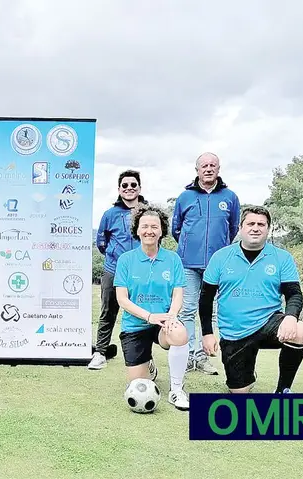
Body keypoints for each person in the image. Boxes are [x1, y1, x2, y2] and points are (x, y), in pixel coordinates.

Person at [200, 205, 303, 394]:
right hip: (235, 331)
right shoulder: (220, 257)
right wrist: (207, 333)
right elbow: (206, 298)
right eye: (250, 223)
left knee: (300, 330)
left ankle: (283, 390)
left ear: (268, 229)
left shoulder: (281, 257)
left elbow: (294, 294)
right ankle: (246, 376)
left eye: (261, 224)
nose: (256, 228)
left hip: (268, 322)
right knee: (240, 391)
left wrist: (291, 316)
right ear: (241, 228)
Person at [113, 205, 191, 410]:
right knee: (138, 385)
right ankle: (148, 364)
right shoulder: (126, 260)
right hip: (135, 326)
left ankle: (176, 390)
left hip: (163, 323)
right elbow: (122, 299)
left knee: (180, 333)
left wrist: (172, 316)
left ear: (162, 230)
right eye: (144, 226)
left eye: (154, 226)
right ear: (137, 230)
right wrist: (149, 316)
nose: (149, 230)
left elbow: (178, 293)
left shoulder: (173, 259)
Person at [172, 152, 241, 376]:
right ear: (197, 170)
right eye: (204, 165)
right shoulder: (185, 197)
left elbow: (232, 229)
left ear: (219, 169)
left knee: (210, 312)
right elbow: (176, 229)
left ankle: (203, 356)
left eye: (213, 165)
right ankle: (190, 355)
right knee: (188, 310)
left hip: (217, 265)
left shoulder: (230, 196)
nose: (209, 169)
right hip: (188, 264)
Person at [90, 169, 146, 370]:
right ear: (119, 189)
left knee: (143, 313)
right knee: (108, 311)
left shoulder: (148, 212)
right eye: (125, 185)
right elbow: (101, 242)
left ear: (139, 187)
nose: (129, 188)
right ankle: (100, 353)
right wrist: (116, 257)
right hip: (114, 270)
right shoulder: (110, 214)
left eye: (133, 185)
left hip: (142, 270)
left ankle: (144, 357)